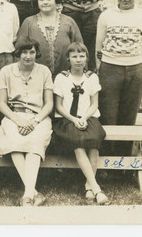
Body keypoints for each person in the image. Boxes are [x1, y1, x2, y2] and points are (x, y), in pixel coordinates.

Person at [0, 37, 54, 207]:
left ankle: (27, 195)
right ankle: (34, 193)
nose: (28, 56)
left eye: (32, 52)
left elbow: (49, 103)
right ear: (18, 54)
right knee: (14, 141)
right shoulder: (6, 71)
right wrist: (18, 120)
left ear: (37, 53)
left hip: (39, 117)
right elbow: (1, 103)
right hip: (14, 116)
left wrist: (35, 121)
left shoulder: (44, 71)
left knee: (35, 142)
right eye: (24, 52)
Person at [96, 0, 142, 156]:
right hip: (110, 68)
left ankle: (124, 163)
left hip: (135, 69)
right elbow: (99, 47)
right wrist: (102, 69)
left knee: (128, 117)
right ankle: (106, 162)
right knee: (108, 116)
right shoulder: (106, 15)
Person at [52, 42, 109, 205]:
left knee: (94, 140)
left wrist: (84, 117)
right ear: (68, 59)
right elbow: (59, 106)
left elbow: (94, 104)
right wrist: (75, 119)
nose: (78, 60)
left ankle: (88, 185)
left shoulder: (92, 77)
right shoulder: (62, 78)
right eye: (74, 56)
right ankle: (96, 188)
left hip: (88, 117)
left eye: (81, 56)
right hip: (67, 119)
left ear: (86, 58)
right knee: (78, 141)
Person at [17, 0, 83, 77]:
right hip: (35, 77)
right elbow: (20, 51)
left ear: (56, 0)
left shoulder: (68, 22)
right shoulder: (28, 22)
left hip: (66, 77)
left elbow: (80, 48)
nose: (45, 2)